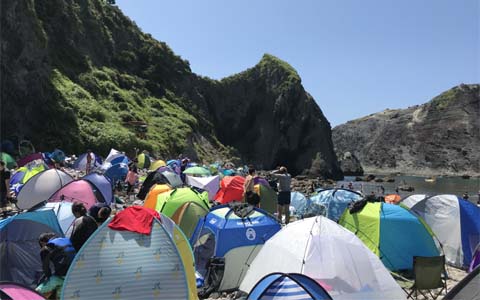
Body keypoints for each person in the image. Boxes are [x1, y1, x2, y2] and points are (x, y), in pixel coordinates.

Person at [36, 233, 76, 299]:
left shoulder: (46, 249)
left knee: (37, 292)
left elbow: (46, 270)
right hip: (75, 274)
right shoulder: (66, 240)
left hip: (62, 276)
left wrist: (46, 280)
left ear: (42, 243)